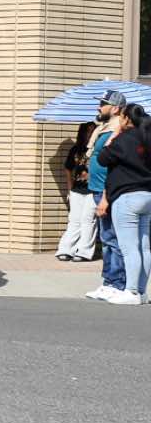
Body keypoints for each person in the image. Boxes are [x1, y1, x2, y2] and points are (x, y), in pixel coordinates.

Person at [94, 103, 151, 304]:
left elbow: (103, 158)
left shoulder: (123, 139)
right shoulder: (147, 137)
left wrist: (116, 132)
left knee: (129, 248)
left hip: (126, 197)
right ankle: (142, 292)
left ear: (126, 118)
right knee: (144, 247)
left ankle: (132, 291)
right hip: (147, 195)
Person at [85, 95, 129, 300]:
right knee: (106, 237)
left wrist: (105, 196)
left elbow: (113, 166)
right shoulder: (104, 128)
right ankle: (109, 281)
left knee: (112, 238)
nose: (99, 107)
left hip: (107, 191)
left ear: (116, 108)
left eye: (103, 104)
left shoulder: (117, 130)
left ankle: (117, 283)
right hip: (98, 189)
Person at [58, 121, 99, 261]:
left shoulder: (99, 149)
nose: (90, 133)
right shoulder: (76, 150)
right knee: (74, 220)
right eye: (88, 130)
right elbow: (68, 168)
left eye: (93, 130)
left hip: (93, 190)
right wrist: (69, 189)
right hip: (76, 189)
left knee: (88, 220)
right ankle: (66, 249)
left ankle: (84, 252)